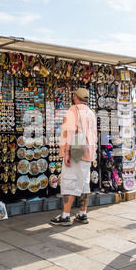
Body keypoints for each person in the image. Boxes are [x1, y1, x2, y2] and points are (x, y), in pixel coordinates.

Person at [50, 88, 97, 226]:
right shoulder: (91, 113)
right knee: (84, 183)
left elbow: (70, 131)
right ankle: (82, 214)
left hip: (75, 152)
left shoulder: (73, 110)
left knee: (69, 181)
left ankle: (65, 216)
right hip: (88, 151)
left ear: (76, 97)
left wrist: (67, 152)